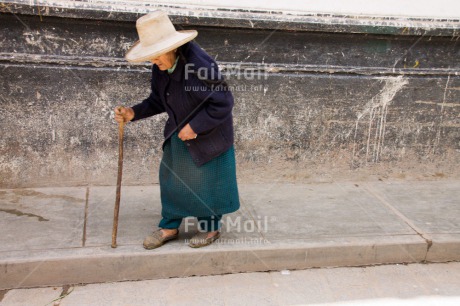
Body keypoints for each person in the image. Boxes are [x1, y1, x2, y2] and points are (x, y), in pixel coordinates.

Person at [114, 11, 240, 249]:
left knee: (207, 182)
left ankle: (210, 228)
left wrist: (195, 126)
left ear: (171, 47)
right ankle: (169, 226)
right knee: (172, 178)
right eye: (150, 57)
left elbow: (223, 102)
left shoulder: (199, 66)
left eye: (155, 55)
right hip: (179, 132)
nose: (153, 61)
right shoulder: (162, 66)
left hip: (210, 135)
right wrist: (133, 113)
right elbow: (159, 100)